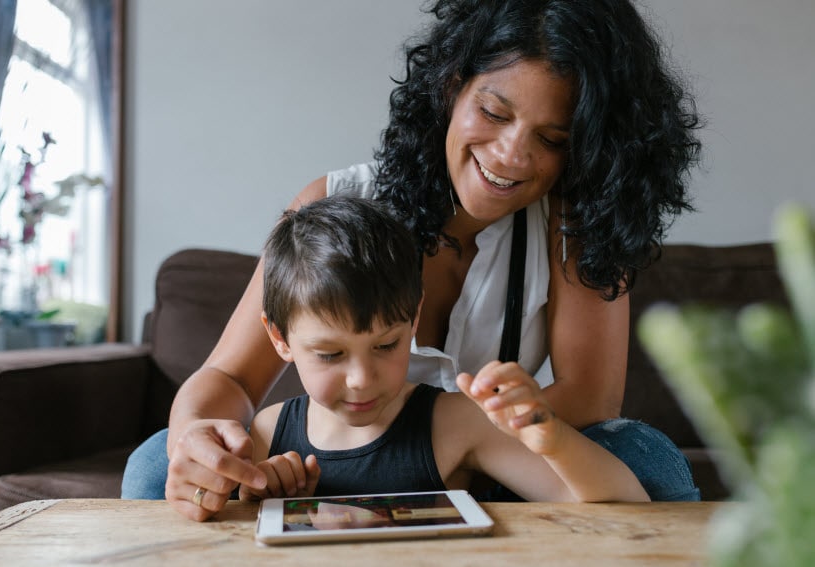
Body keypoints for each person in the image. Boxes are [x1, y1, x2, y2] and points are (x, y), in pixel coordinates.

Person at [122, 0, 702, 520]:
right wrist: (195, 442)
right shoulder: (334, 204)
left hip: (498, 466)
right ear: (452, 85)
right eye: (495, 114)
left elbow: (591, 400)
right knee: (155, 466)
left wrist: (461, 447)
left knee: (646, 460)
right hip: (346, 463)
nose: (511, 156)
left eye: (553, 139)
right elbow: (227, 378)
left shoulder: (576, 224)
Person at [237, 195, 649, 504]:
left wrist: (552, 438)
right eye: (330, 354)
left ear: (413, 320)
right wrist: (258, 499)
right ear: (279, 338)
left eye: (386, 344)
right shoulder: (266, 434)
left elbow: (628, 502)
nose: (362, 378)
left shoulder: (455, 423)